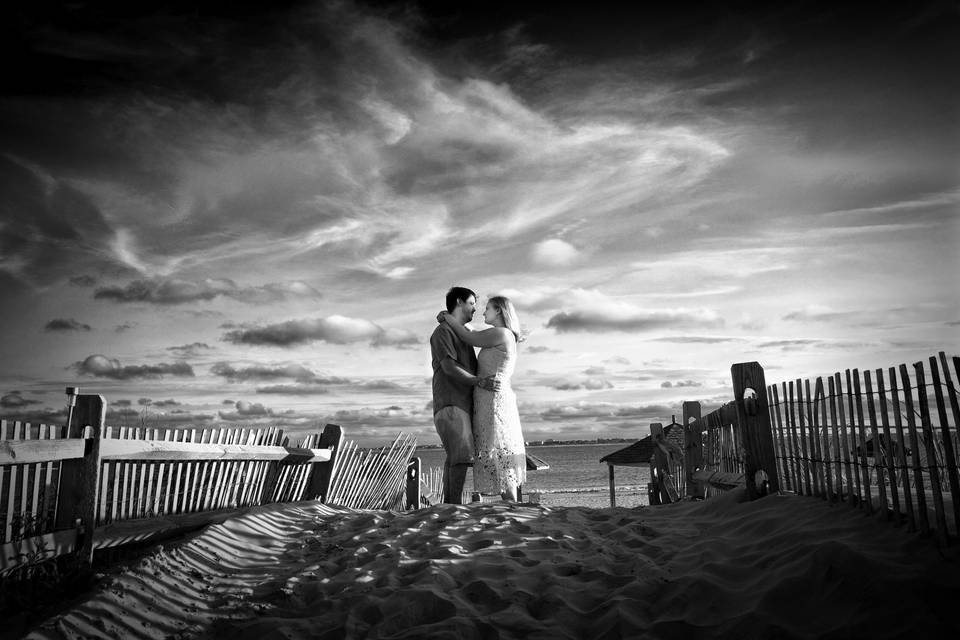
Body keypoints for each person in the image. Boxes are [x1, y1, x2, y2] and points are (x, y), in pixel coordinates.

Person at [439, 295, 526, 501]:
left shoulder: (501, 333)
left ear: (499, 311)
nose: (483, 312)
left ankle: (511, 504)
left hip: (493, 401)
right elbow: (472, 334)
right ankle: (510, 504)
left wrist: (447, 317)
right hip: (488, 398)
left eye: (488, 308)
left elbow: (468, 337)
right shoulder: (499, 335)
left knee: (499, 450)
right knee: (496, 451)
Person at [430, 286, 499, 504]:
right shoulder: (443, 332)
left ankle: (449, 506)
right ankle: (452, 507)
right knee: (460, 458)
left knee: (456, 458)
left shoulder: (464, 334)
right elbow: (449, 367)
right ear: (459, 302)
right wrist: (480, 382)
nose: (475, 310)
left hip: (461, 404)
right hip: (450, 401)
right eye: (471, 304)